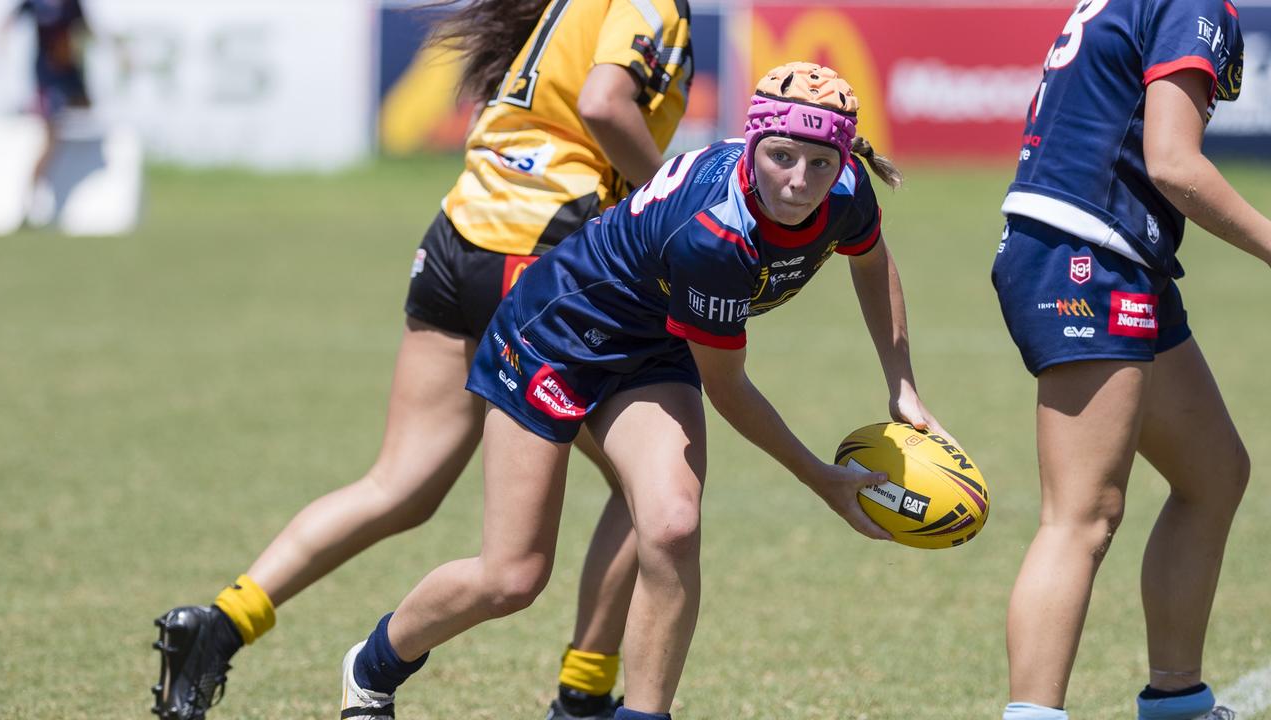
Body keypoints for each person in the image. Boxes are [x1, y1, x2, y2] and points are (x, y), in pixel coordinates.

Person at [337, 61, 948, 720]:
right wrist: (818, 477)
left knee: (674, 526)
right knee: (511, 577)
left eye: (819, 164)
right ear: (752, 142)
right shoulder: (716, 233)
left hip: (653, 343)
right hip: (555, 336)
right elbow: (730, 388)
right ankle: (371, 668)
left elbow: (872, 260)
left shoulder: (847, 189)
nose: (799, 181)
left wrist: (902, 386)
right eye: (780, 157)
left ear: (843, 159)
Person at [150, 2, 693, 719]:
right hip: (546, 254)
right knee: (650, 489)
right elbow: (603, 102)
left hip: (460, 236)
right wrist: (675, 204)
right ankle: (583, 693)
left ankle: (222, 624)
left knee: (400, 482)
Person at [991, 0, 1268, 717]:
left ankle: (1177, 703)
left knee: (1214, 472)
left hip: (1113, 251)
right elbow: (1175, 164)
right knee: (1082, 515)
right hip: (1088, 252)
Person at [13, 0, 90, 223]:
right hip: (47, 81)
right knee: (51, 137)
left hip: (71, 77)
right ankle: (32, 196)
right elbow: (11, 21)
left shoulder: (71, 5)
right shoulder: (36, 4)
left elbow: (84, 31)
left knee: (91, 121)